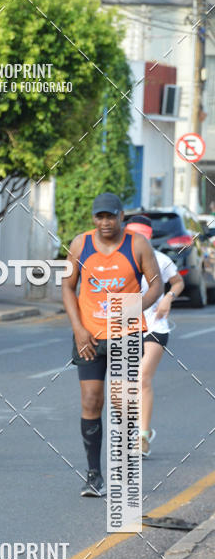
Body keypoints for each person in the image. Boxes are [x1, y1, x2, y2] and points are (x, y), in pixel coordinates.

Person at [62, 192, 163, 497]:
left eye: (110, 216)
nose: (104, 222)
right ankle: (94, 475)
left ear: (121, 216)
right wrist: (78, 329)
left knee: (122, 405)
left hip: (126, 334)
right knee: (91, 401)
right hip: (89, 337)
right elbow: (67, 287)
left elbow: (157, 283)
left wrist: (136, 305)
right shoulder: (81, 244)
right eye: (99, 217)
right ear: (93, 219)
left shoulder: (137, 244)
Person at [125, 215, 184, 457]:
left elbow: (177, 282)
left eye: (141, 237)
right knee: (124, 385)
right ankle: (135, 425)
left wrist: (168, 298)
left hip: (155, 326)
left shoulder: (160, 260)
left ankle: (143, 435)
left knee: (142, 378)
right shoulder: (119, 262)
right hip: (126, 327)